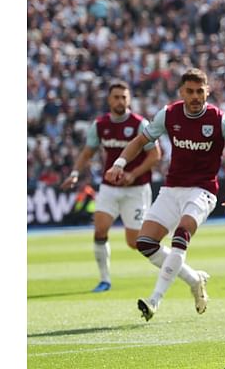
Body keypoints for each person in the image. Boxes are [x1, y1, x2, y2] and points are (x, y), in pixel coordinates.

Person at [104, 68, 225, 321]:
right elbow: (141, 141)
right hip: (172, 189)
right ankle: (194, 279)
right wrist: (119, 163)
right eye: (190, 91)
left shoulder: (221, 120)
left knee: (181, 235)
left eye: (200, 91)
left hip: (203, 190)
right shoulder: (169, 114)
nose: (196, 96)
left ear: (207, 91)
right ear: (181, 93)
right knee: (145, 243)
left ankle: (154, 300)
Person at [61, 81, 161, 292]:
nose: (120, 101)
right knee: (100, 230)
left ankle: (171, 261)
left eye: (124, 97)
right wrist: (75, 173)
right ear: (109, 100)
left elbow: (155, 154)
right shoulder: (100, 125)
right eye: (116, 97)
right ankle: (104, 279)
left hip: (136, 189)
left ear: (129, 99)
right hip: (109, 187)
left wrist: (133, 174)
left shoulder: (139, 124)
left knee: (135, 243)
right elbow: (87, 152)